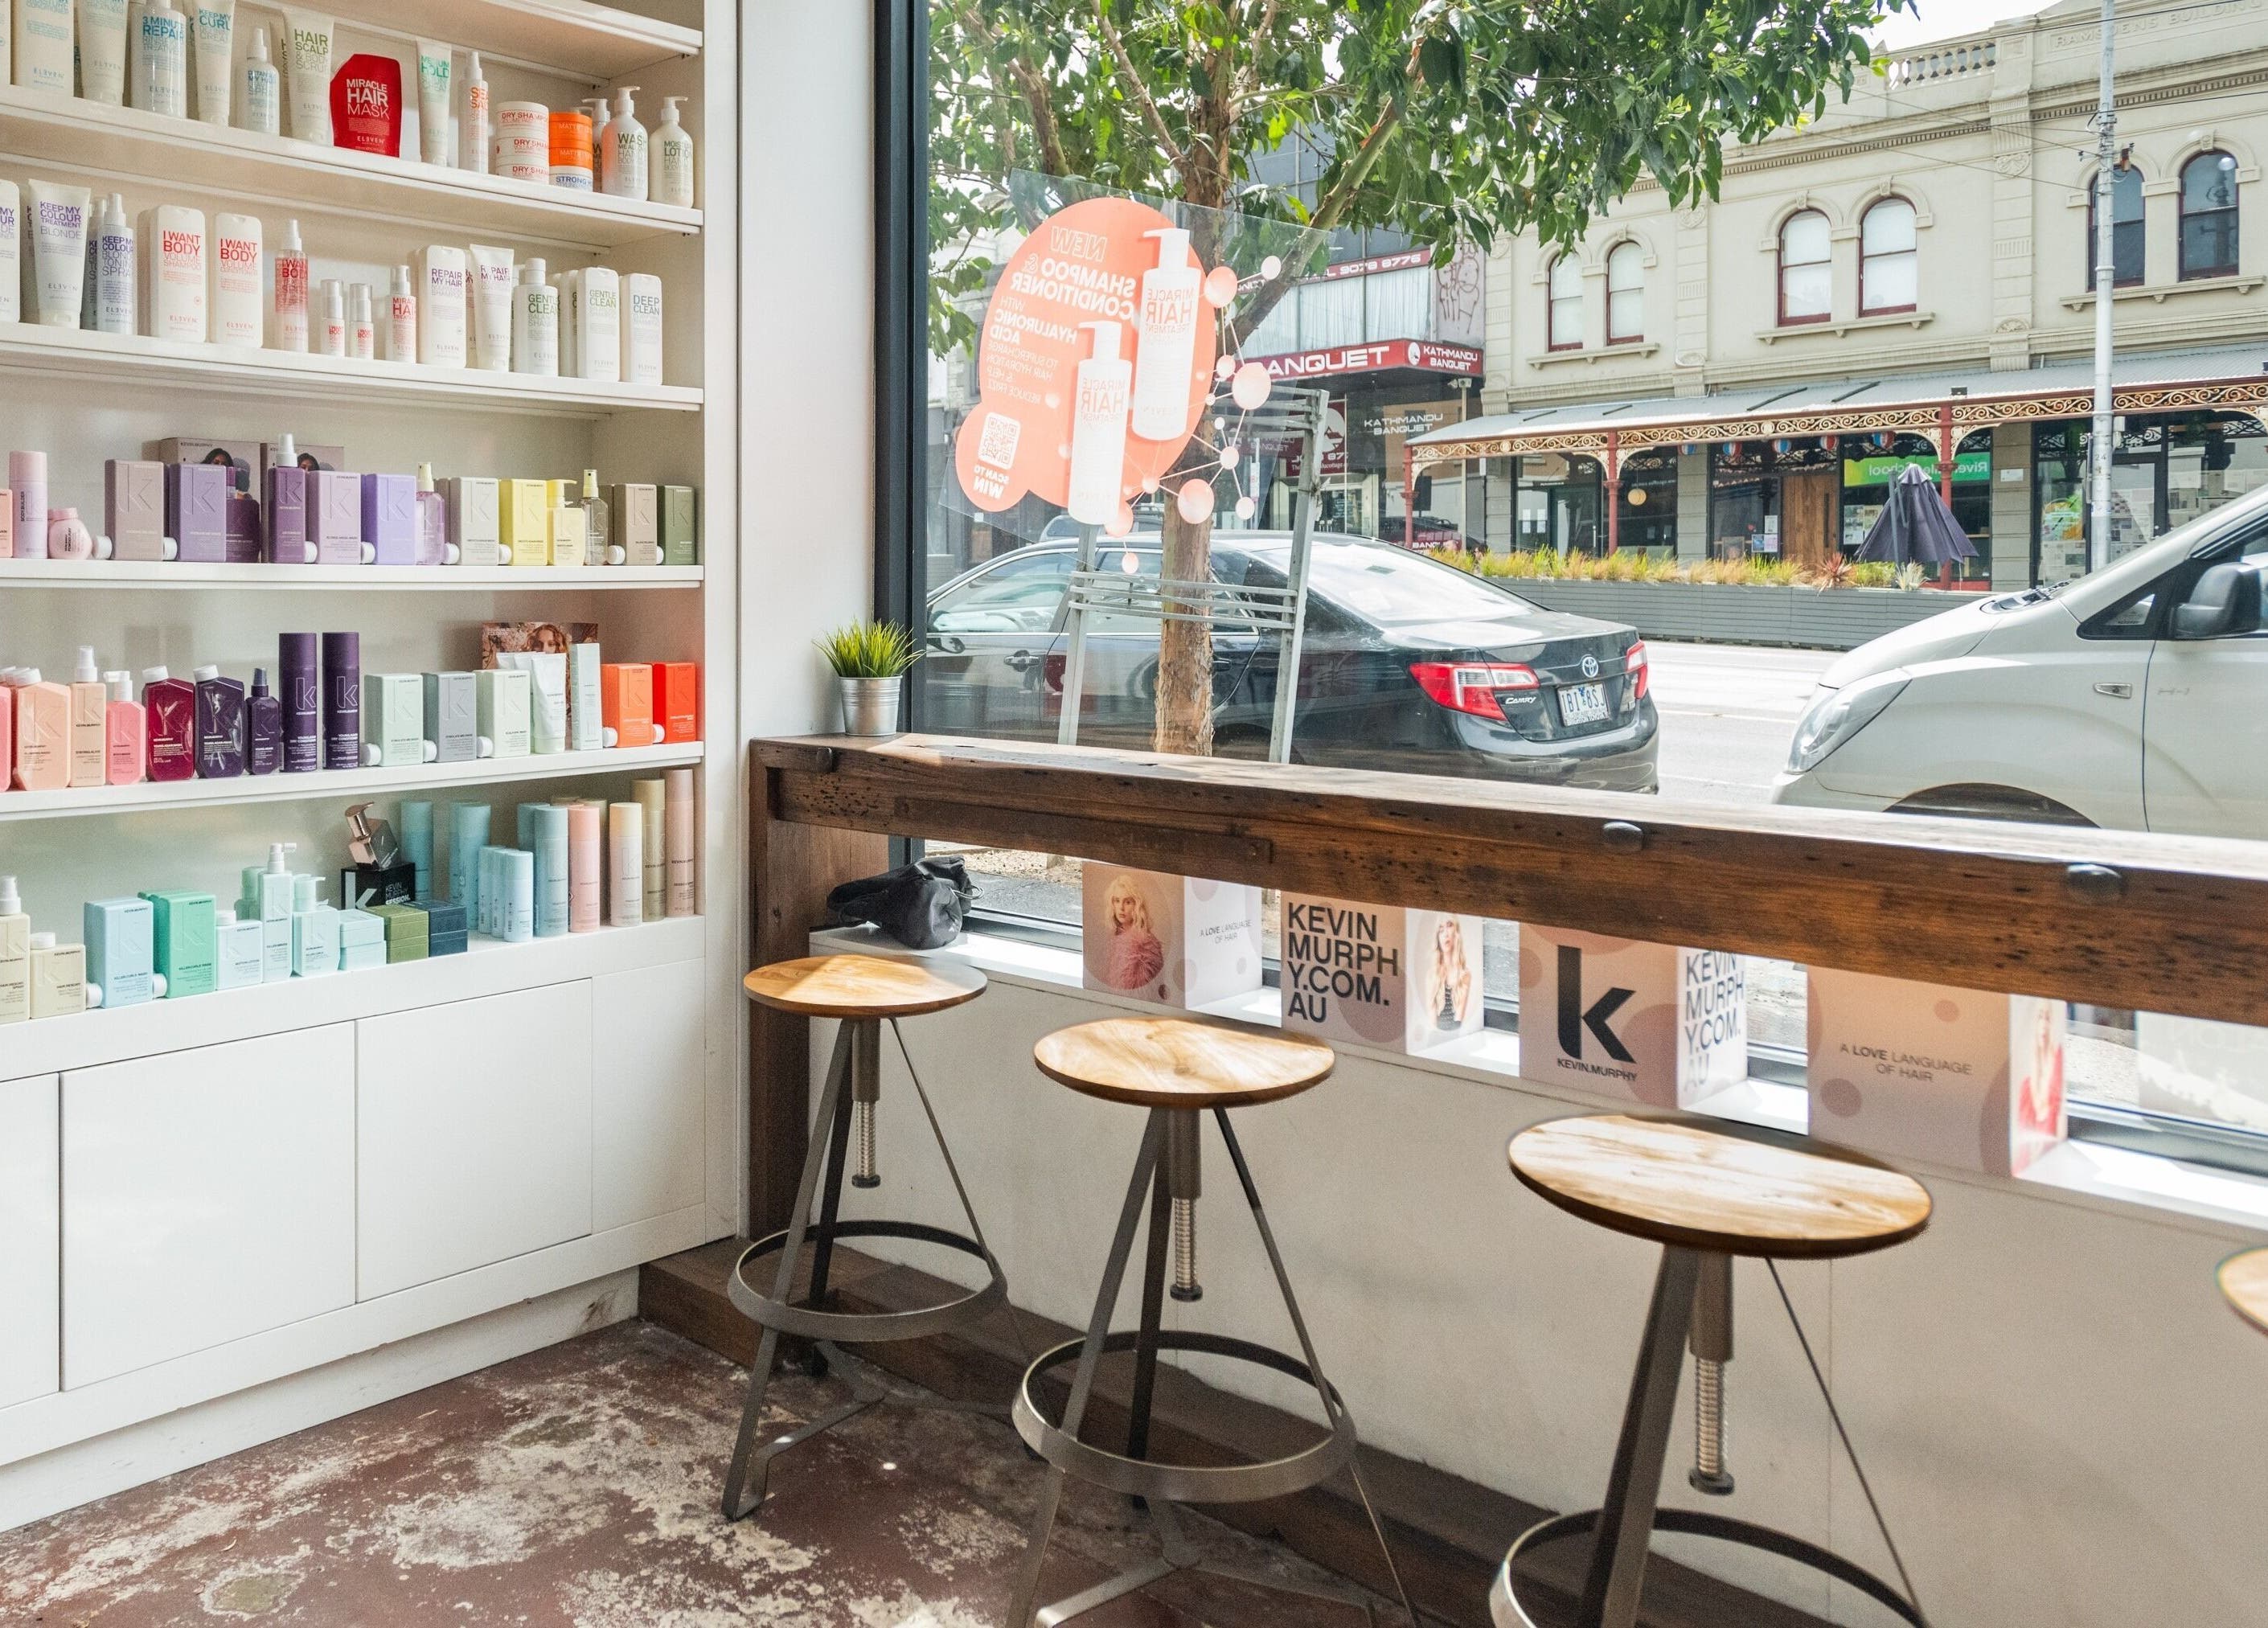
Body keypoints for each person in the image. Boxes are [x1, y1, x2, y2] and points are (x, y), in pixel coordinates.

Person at [1098, 872, 1163, 991]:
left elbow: (1141, 994)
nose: (1121, 908)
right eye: (1117, 901)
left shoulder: (1145, 946)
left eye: (1128, 902)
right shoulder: (1115, 939)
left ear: (1137, 905)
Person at [1421, 915, 1474, 1031]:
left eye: (1449, 926)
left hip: (1455, 1037)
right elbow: (1432, 1019)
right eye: (1441, 930)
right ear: (1438, 938)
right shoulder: (1432, 975)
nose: (1445, 934)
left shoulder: (1465, 975)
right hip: (1435, 1037)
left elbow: (1458, 1020)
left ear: (1456, 932)